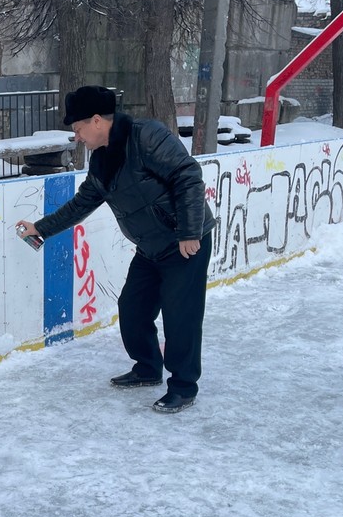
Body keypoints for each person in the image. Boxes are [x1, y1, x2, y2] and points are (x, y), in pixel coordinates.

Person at [17, 85, 215, 413]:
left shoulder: (146, 136)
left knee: (181, 317)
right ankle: (148, 367)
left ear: (97, 121)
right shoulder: (102, 162)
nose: (77, 137)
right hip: (150, 248)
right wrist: (41, 228)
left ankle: (183, 386)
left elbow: (188, 176)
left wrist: (190, 232)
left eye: (78, 129)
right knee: (132, 308)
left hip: (184, 243)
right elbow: (82, 204)